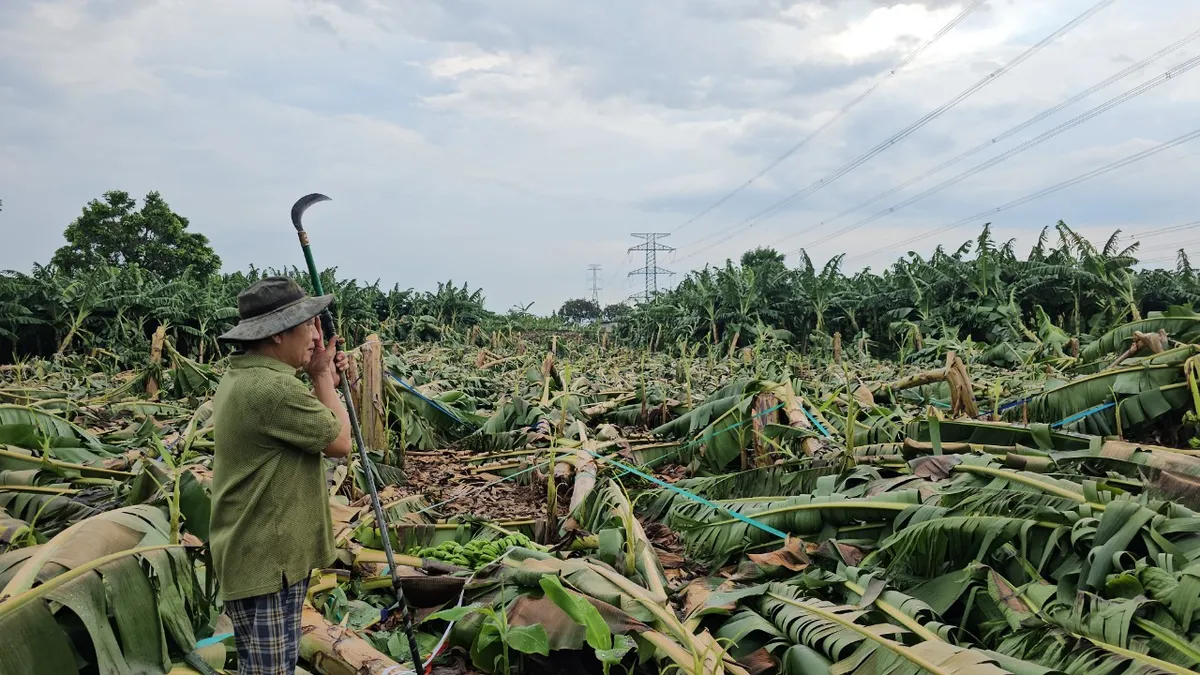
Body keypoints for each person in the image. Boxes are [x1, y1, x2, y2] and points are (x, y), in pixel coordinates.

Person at [209, 275, 353, 675]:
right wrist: (322, 377)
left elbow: (315, 419)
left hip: (260, 555)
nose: (316, 335)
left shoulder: (244, 377)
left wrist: (320, 376)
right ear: (277, 333)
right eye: (308, 325)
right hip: (267, 562)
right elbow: (340, 441)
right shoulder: (272, 390)